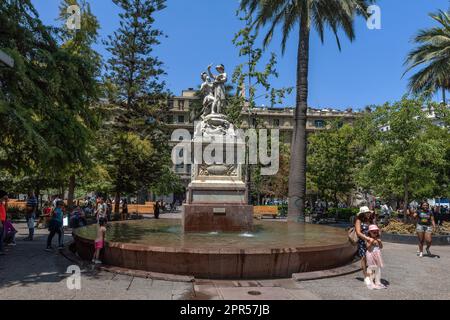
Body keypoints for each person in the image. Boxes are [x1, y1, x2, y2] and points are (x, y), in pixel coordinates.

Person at [354, 206, 376, 288]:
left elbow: (375, 230)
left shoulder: (371, 221)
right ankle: (366, 276)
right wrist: (366, 238)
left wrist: (375, 237)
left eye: (369, 213)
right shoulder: (358, 220)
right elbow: (358, 232)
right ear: (362, 213)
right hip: (362, 242)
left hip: (371, 242)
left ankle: (371, 275)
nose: (368, 214)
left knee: (372, 259)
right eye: (367, 213)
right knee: (363, 258)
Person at [365, 224, 386, 290]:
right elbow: (368, 248)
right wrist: (371, 242)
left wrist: (380, 242)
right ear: (369, 233)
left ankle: (377, 282)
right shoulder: (369, 239)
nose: (375, 233)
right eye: (373, 232)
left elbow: (381, 247)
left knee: (378, 269)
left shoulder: (378, 239)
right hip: (371, 255)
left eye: (376, 232)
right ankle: (371, 282)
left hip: (377, 255)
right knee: (371, 269)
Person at [0, 190, 8, 255]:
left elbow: (6, 210)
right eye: (6, 195)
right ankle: (1, 250)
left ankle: (1, 249)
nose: (7, 196)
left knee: (2, 236)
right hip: (0, 221)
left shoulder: (1, 202)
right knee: (0, 236)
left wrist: (6, 202)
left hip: (3, 220)